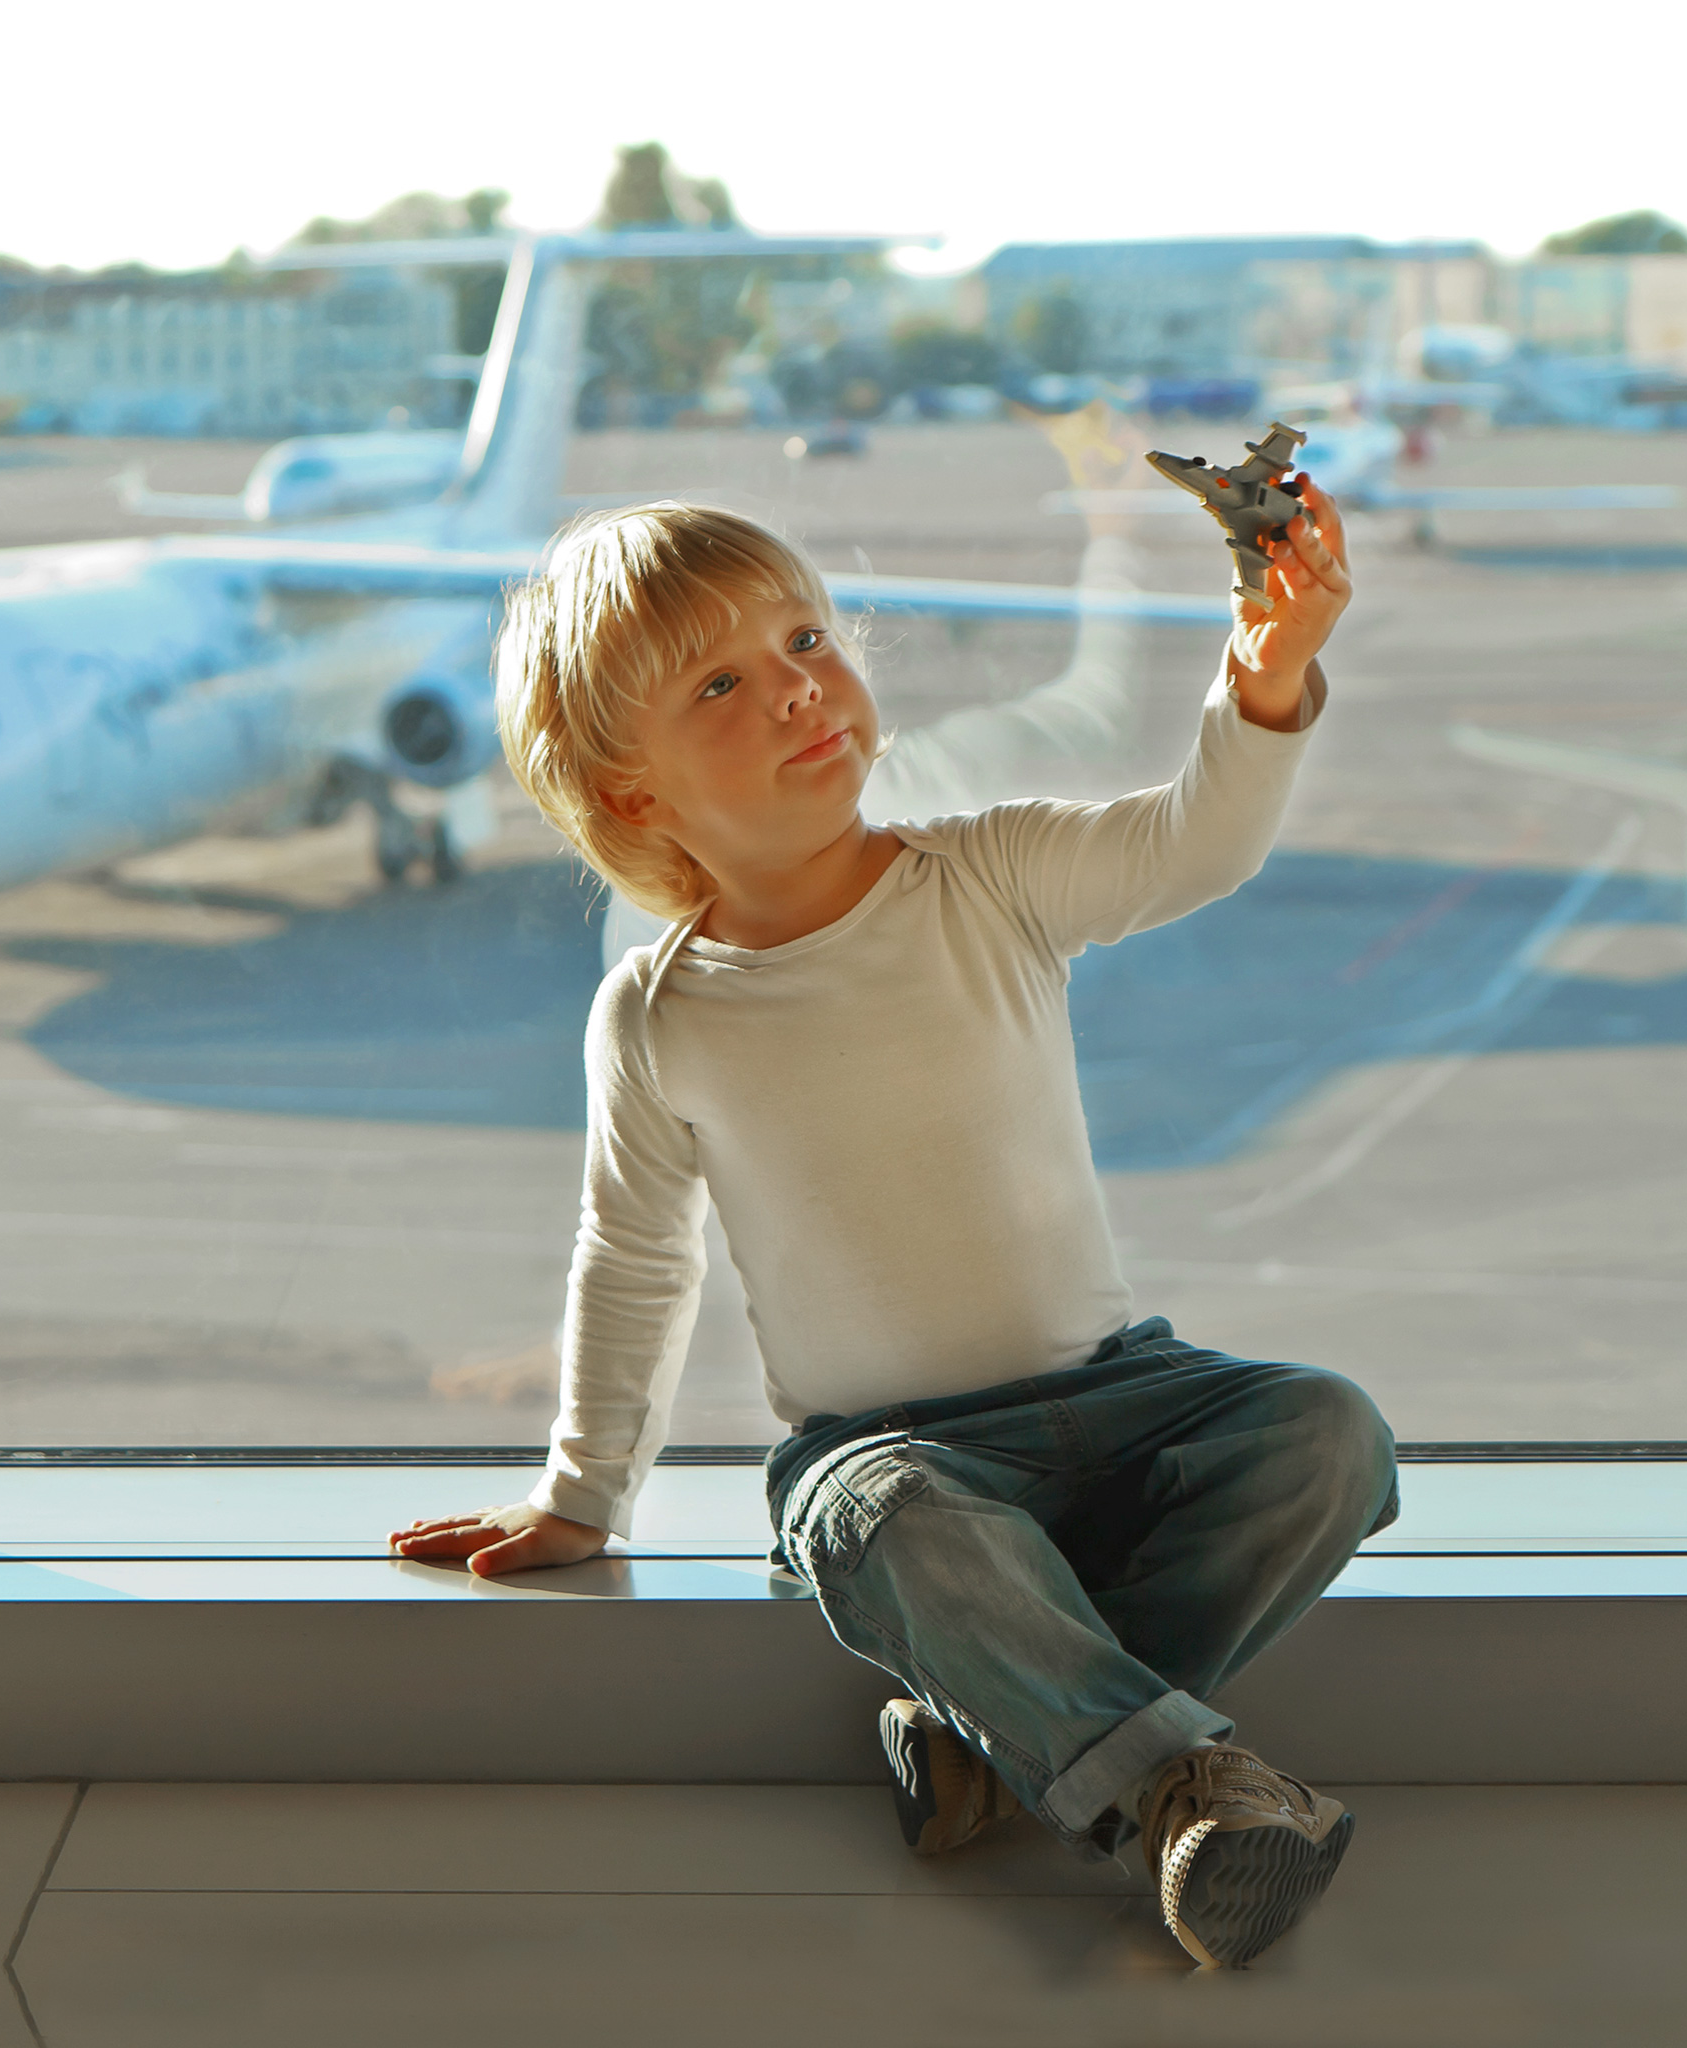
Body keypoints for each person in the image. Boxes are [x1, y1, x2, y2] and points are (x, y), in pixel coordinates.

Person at [390, 486, 1392, 1971]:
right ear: (632, 796)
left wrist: (1265, 677)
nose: (799, 682)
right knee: (884, 1525)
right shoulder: (660, 1017)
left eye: (804, 637)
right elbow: (634, 1257)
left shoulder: (984, 875)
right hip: (894, 1454)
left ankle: (1003, 1728)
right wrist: (582, 1498)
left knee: (1330, 1436)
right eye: (721, 682)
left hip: (1118, 1392)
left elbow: (1200, 844)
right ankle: (1182, 1787)